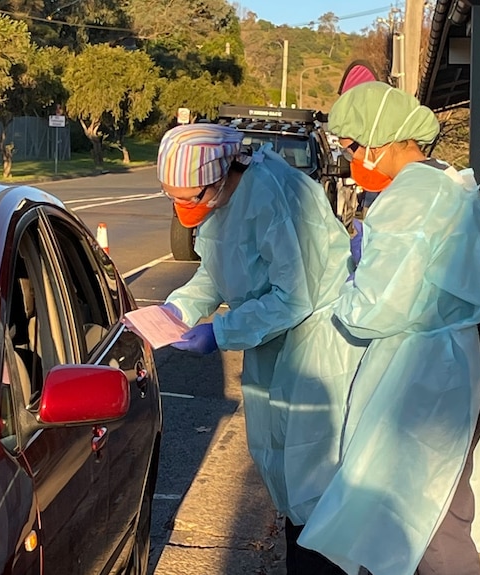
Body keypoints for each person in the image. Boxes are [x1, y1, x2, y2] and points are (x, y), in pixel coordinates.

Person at [297, 82, 480, 575]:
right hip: (466, 356)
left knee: (425, 514)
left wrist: (341, 294)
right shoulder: (450, 181)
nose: (352, 161)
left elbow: (376, 308)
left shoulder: (409, 197)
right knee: (443, 502)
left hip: (429, 372)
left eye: (351, 147)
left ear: (378, 139)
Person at [156, 123, 367, 574]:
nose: (185, 209)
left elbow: (294, 298)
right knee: (286, 482)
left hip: (315, 350)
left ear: (221, 173)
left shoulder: (275, 195)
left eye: (191, 197)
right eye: (174, 198)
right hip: (274, 350)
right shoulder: (223, 201)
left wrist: (222, 332)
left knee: (316, 488)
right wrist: (179, 309)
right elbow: (219, 271)